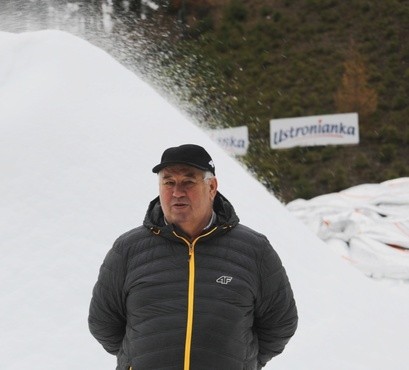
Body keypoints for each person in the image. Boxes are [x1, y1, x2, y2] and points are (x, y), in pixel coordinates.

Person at [88, 144, 298, 370]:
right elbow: (103, 322)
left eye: (188, 182)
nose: (177, 192)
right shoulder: (128, 249)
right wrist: (134, 360)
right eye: (168, 182)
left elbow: (280, 322)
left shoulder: (253, 249)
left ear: (212, 187)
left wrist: (243, 362)